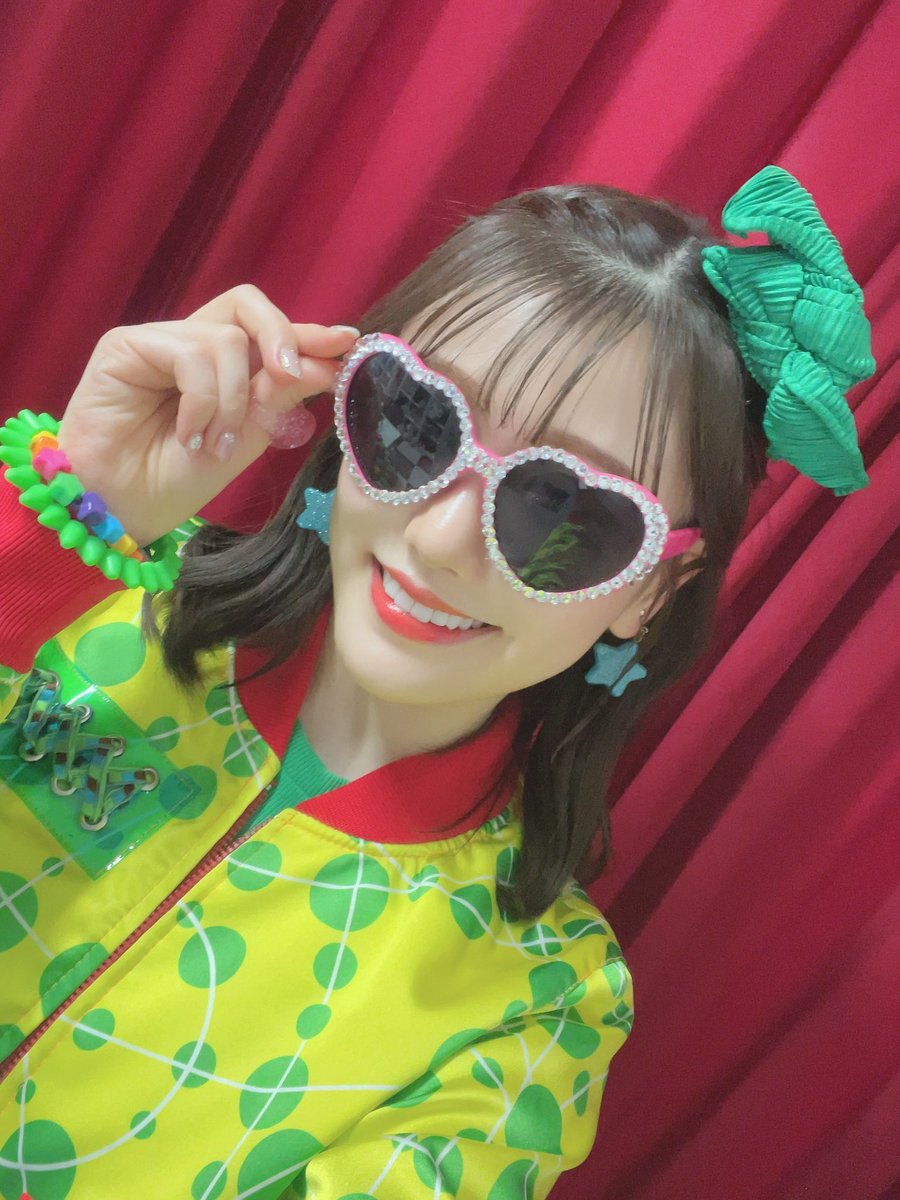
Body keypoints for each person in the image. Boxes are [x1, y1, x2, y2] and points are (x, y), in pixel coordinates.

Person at [0, 165, 873, 1199]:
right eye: (419, 422)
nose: (442, 538)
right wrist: (55, 533)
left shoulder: (533, 1011)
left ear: (653, 588)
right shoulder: (90, 598)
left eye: (564, 513)